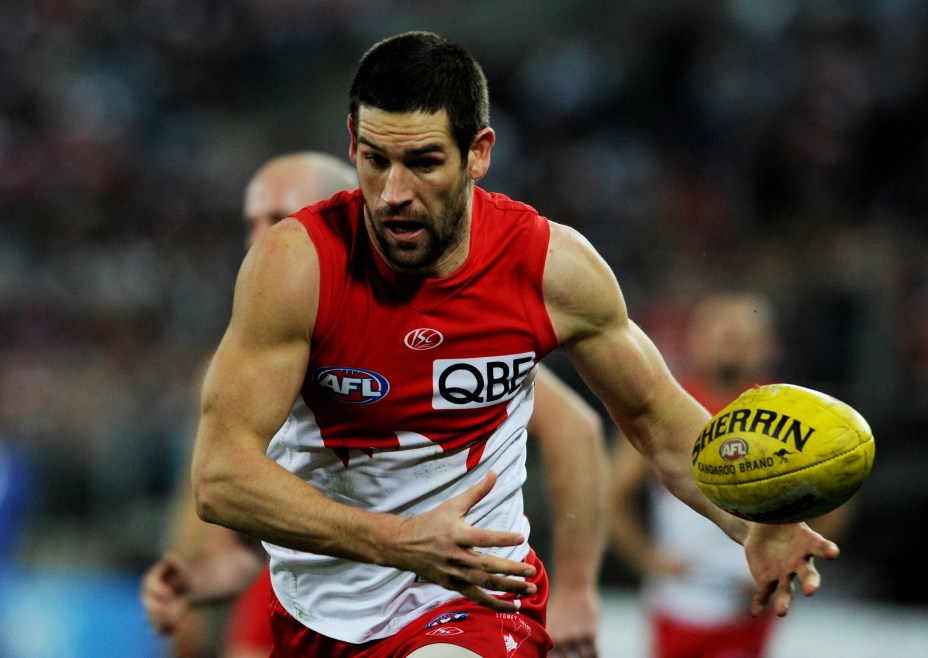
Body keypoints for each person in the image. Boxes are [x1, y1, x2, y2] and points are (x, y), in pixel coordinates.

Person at [190, 31, 839, 658]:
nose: (393, 194)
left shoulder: (551, 268)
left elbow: (657, 421)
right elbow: (220, 478)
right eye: (375, 160)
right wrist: (399, 542)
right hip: (316, 614)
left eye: (423, 163)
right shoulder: (296, 267)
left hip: (475, 599)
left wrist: (752, 521)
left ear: (479, 153)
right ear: (352, 144)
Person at [142, 151, 609, 658]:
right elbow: (239, 522)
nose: (259, 237)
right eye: (251, 221)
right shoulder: (260, 347)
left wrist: (576, 589)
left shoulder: (444, 334)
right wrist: (197, 579)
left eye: (277, 219)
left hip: (445, 603)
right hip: (316, 602)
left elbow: (576, 428)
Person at [607, 292, 855, 658]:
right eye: (721, 334)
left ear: (768, 346)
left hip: (751, 604)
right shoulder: (661, 411)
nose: (731, 345)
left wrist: (794, 560)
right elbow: (611, 499)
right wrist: (649, 560)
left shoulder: (796, 414)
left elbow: (841, 502)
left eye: (742, 337)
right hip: (679, 602)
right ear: (695, 342)